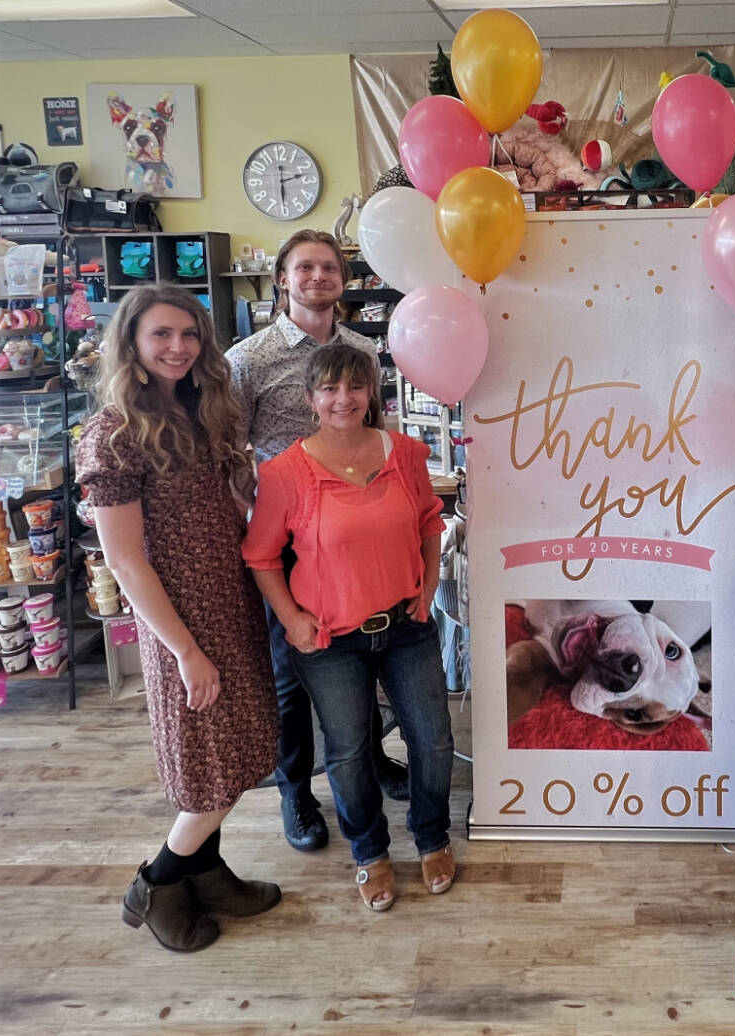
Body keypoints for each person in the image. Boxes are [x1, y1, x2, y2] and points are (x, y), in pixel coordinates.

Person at [77, 285, 280, 953]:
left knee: (231, 749)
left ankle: (207, 872)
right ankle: (159, 883)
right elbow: (126, 562)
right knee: (212, 762)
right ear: (131, 342)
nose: (178, 347)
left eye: (189, 335)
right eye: (162, 334)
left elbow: (231, 504)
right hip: (181, 618)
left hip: (232, 601)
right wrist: (186, 651)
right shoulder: (114, 434)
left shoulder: (201, 410)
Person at [242, 344, 454, 911]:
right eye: (330, 389)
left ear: (372, 393)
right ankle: (369, 852)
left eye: (354, 387)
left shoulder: (406, 453)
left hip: (407, 625)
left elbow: (430, 521)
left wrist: (429, 586)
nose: (343, 398)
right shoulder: (284, 472)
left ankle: (432, 837)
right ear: (311, 399)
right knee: (349, 752)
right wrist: (292, 619)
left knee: (432, 742)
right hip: (330, 640)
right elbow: (261, 556)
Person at [227, 228, 407, 856]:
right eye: (305, 268)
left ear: (343, 279)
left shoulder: (363, 347)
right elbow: (230, 446)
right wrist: (253, 510)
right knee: (291, 673)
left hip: (355, 530)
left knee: (363, 658)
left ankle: (366, 761)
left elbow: (376, 428)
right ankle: (296, 791)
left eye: (329, 268)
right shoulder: (249, 358)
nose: (318, 277)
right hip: (291, 539)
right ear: (283, 278)